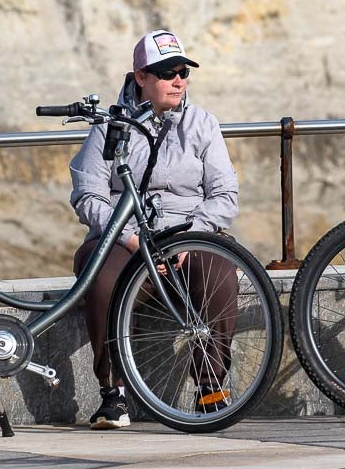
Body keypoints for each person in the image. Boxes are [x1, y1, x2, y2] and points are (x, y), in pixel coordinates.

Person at [68, 29, 240, 429]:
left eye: (183, 71)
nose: (178, 80)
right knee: (102, 281)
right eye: (167, 72)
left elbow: (225, 194)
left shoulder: (202, 124)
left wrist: (191, 234)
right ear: (140, 76)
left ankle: (211, 388)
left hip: (188, 233)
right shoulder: (110, 126)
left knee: (220, 274)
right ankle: (113, 395)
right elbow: (88, 195)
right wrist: (129, 237)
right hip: (124, 237)